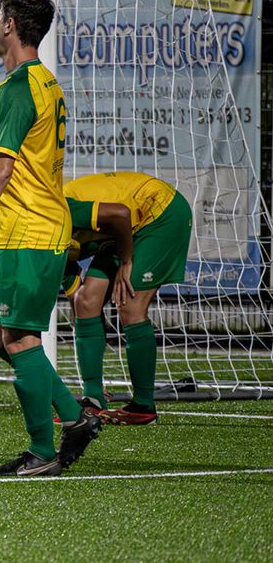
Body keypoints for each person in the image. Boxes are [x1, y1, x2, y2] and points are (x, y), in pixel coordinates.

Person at [0, 0, 102, 476]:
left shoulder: (18, 88)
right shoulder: (44, 83)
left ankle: (41, 451)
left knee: (19, 340)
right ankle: (75, 417)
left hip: (29, 230)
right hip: (30, 228)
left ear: (10, 25)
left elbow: (2, 167)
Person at [65, 171, 193, 424]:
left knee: (130, 305)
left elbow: (121, 213)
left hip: (159, 211)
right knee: (85, 301)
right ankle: (93, 399)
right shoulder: (36, 244)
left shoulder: (56, 210)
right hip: (122, 231)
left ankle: (143, 406)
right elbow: (75, 296)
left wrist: (126, 262)